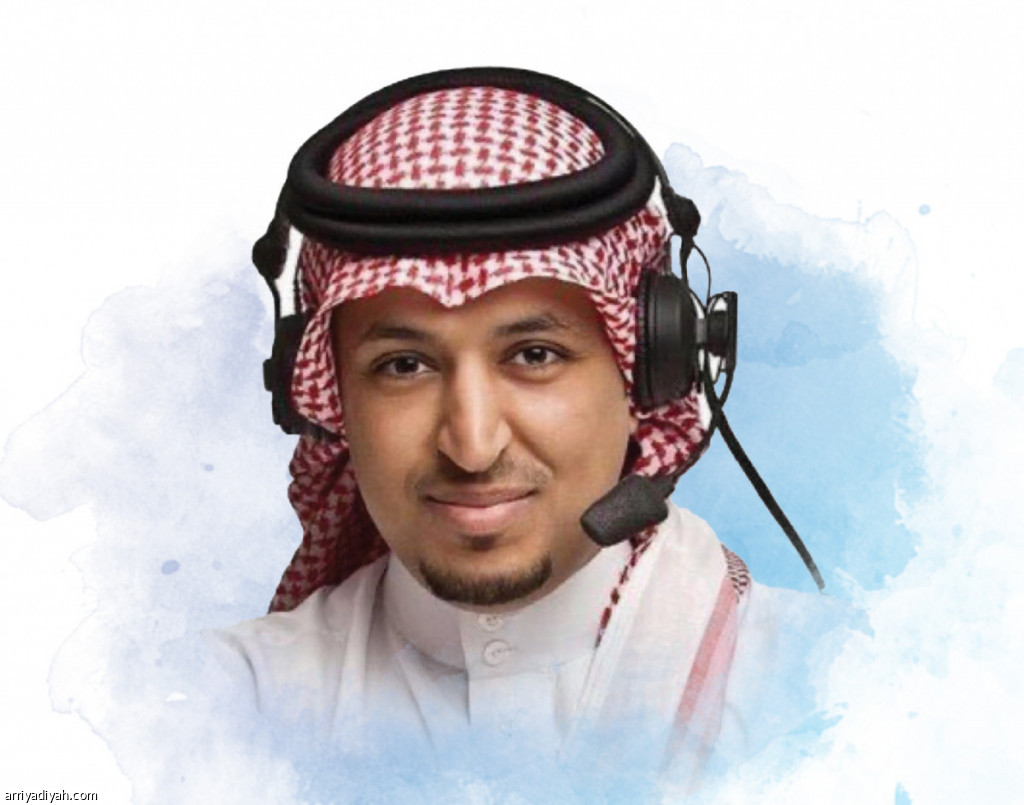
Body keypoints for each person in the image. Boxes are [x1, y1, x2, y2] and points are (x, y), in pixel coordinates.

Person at [210, 67, 848, 798]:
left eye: (535, 355)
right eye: (404, 365)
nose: (473, 444)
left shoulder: (840, 688)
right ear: (327, 399)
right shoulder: (212, 711)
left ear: (650, 369)